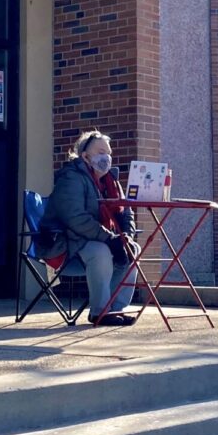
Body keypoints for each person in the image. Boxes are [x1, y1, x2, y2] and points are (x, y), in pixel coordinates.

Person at [38, 130, 139, 326]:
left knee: (132, 248)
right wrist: (109, 239)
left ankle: (115, 309)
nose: (107, 157)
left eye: (108, 153)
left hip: (98, 239)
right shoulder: (71, 178)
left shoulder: (111, 181)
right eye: (101, 152)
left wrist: (125, 235)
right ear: (85, 156)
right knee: (101, 251)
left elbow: (126, 213)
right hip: (66, 244)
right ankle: (100, 312)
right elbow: (74, 218)